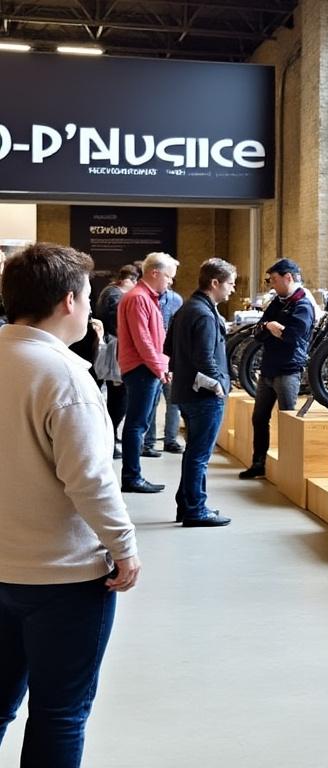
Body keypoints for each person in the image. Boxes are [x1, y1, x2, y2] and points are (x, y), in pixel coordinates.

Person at [0, 242, 140, 768]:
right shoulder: (63, 376)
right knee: (60, 713)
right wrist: (124, 548)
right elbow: (90, 480)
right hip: (64, 578)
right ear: (68, 301)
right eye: (85, 297)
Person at [167, 259, 236, 528]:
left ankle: (187, 505)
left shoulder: (187, 308)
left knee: (193, 453)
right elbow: (205, 357)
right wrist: (219, 384)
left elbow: (168, 346)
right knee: (200, 456)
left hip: (185, 391)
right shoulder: (205, 314)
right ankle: (196, 509)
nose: (232, 289)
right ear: (215, 283)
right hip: (203, 396)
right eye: (230, 283)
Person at [239, 258, 314, 479]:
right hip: (268, 369)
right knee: (259, 418)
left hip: (288, 370)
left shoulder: (303, 305)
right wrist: (272, 328)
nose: (271, 285)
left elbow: (293, 336)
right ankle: (258, 462)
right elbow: (258, 331)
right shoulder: (277, 302)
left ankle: (290, 468)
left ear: (288, 277)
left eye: (273, 280)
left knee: (288, 420)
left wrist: (272, 328)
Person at [116, 252, 177, 494]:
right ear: (155, 272)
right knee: (136, 424)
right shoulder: (138, 298)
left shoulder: (146, 298)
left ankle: (134, 475)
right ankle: (132, 477)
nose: (170, 282)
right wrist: (160, 367)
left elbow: (155, 338)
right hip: (141, 369)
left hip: (148, 368)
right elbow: (144, 341)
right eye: (169, 277)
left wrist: (164, 365)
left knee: (140, 423)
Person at [95, 265, 140, 459]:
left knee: (115, 397)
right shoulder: (114, 295)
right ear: (128, 279)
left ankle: (110, 438)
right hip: (114, 351)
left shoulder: (110, 292)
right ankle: (110, 439)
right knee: (118, 397)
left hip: (110, 349)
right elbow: (117, 324)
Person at [145, 286, 184, 455]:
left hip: (170, 357)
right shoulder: (145, 299)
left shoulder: (176, 300)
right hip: (152, 357)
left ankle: (171, 440)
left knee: (173, 400)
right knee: (152, 403)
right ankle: (149, 442)